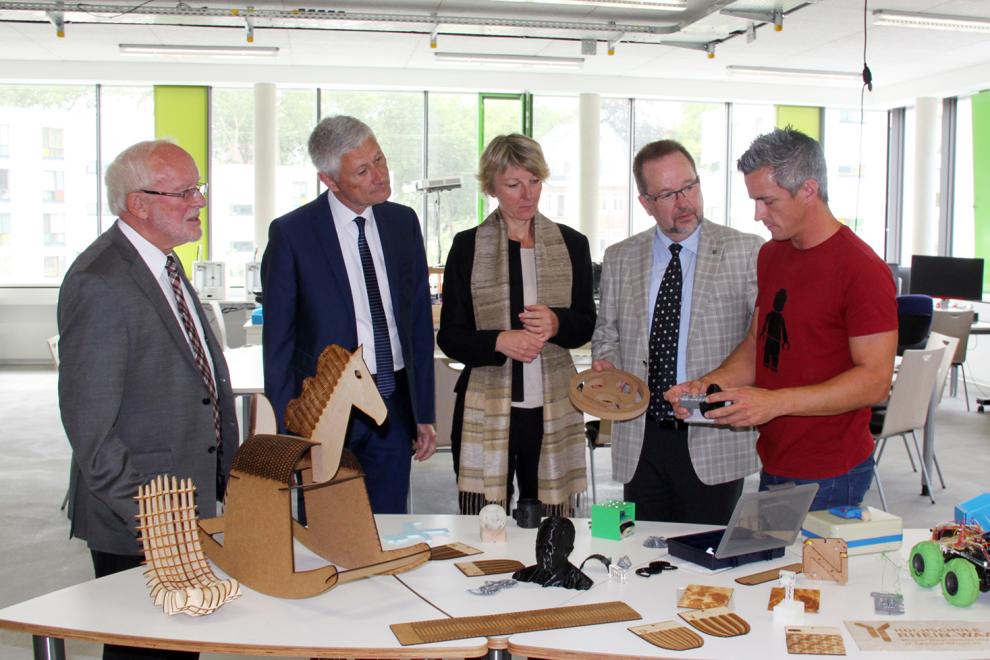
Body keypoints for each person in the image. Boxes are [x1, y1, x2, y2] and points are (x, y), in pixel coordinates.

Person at [58, 140, 238, 660]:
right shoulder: (101, 282)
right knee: (147, 650)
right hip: (142, 515)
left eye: (197, 188)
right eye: (183, 192)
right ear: (137, 204)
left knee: (180, 643)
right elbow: (91, 432)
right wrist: (155, 521)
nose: (198, 201)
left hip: (185, 504)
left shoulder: (164, 263)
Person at [666, 127, 897, 511]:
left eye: (768, 201)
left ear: (808, 190)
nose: (758, 215)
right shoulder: (772, 255)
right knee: (776, 570)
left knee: (811, 572)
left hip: (832, 471)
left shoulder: (862, 269)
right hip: (774, 459)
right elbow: (758, 343)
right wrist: (708, 386)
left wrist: (774, 403)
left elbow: (875, 382)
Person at [261, 115, 436, 514]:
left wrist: (423, 411)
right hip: (325, 408)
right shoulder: (293, 234)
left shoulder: (401, 222)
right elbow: (279, 344)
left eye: (380, 159)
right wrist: (289, 433)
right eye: (363, 170)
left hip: (391, 400)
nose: (380, 175)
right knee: (326, 525)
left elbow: (416, 325)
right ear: (330, 180)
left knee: (389, 524)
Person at [591, 139, 762, 525]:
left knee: (710, 559)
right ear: (645, 203)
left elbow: (762, 342)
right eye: (668, 194)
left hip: (713, 436)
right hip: (640, 437)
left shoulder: (747, 251)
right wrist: (609, 368)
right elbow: (607, 335)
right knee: (636, 552)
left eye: (690, 186)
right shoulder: (620, 257)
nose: (684, 202)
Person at [437, 134, 596, 515]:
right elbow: (451, 337)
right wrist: (498, 341)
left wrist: (558, 322)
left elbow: (585, 326)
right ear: (491, 187)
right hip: (487, 404)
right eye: (513, 185)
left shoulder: (572, 244)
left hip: (553, 406)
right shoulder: (467, 246)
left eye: (534, 181)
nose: (528, 195)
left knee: (549, 521)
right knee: (485, 521)